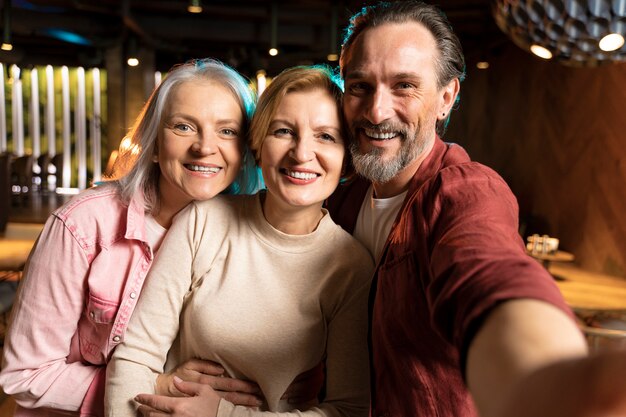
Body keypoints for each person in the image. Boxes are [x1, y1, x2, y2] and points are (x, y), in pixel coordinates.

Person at [326, 2, 625, 417]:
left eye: (404, 86)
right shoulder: (341, 198)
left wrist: (541, 380)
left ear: (446, 97)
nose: (377, 111)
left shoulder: (464, 189)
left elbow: (490, 274)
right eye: (360, 86)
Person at [0, 58, 268, 417]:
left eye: (227, 131)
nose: (205, 147)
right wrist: (152, 385)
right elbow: (24, 375)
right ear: (155, 144)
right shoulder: (84, 223)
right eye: (184, 126)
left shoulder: (248, 235)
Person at [104, 65, 373, 417]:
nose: (302, 153)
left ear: (347, 159)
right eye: (283, 131)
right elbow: (135, 356)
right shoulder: (203, 220)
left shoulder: (351, 267)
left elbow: (348, 409)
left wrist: (223, 415)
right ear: (258, 146)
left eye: (326, 136)